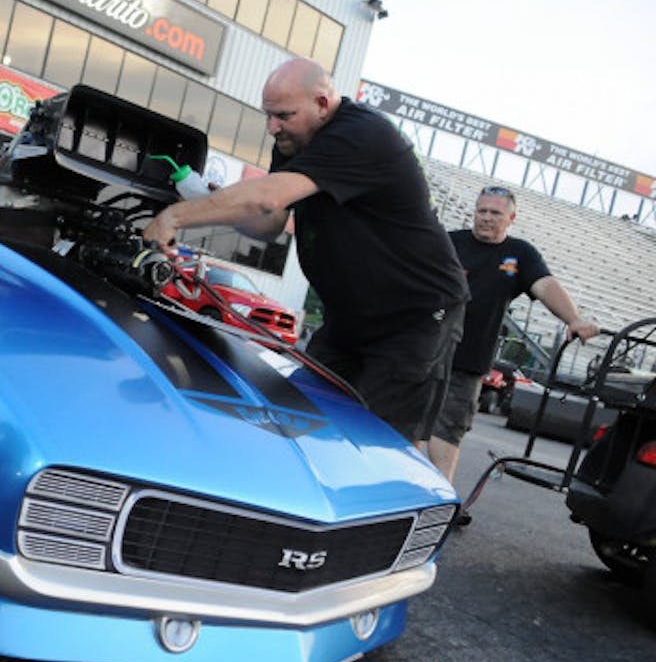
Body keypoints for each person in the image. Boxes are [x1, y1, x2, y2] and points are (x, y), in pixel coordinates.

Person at [144, 57, 469, 446]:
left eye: (283, 115)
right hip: (351, 316)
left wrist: (175, 217)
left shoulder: (361, 134)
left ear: (322, 103)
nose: (272, 127)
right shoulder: (293, 140)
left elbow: (265, 201)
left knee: (382, 441)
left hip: (415, 315)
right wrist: (218, 206)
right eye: (268, 115)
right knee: (302, 417)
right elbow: (268, 224)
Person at [428, 185, 599, 481]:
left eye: (495, 213)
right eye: (481, 211)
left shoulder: (519, 253)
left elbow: (545, 285)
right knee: (406, 426)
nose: (486, 218)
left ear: (511, 217)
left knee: (448, 432)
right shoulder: (450, 241)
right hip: (424, 352)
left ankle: (438, 501)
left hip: (468, 362)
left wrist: (574, 319)